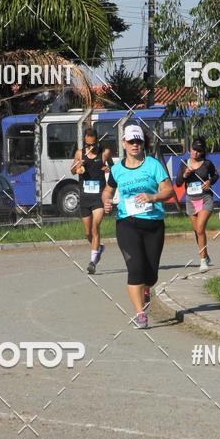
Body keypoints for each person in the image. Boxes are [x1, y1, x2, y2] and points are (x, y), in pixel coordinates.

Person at [102, 123, 174, 329]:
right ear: (124, 143)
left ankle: (146, 290)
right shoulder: (116, 170)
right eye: (131, 141)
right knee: (135, 269)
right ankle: (140, 314)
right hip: (127, 224)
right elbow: (107, 191)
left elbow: (168, 190)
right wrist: (106, 201)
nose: (135, 144)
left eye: (138, 141)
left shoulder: (153, 165)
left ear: (143, 143)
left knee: (151, 275)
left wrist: (153, 197)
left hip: (153, 224)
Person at [70, 127, 112, 274]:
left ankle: (92, 262)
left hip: (99, 197)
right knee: (88, 231)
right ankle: (98, 248)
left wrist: (108, 169)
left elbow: (114, 169)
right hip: (85, 197)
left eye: (92, 145)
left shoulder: (104, 153)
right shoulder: (79, 153)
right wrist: (78, 167)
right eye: (87, 145)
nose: (90, 147)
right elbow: (72, 171)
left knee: (95, 228)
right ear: (84, 142)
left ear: (97, 142)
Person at [175, 136, 218, 271]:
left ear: (203, 152)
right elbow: (178, 183)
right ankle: (205, 254)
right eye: (194, 150)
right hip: (191, 200)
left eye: (199, 151)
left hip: (205, 198)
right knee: (197, 231)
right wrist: (185, 175)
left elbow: (215, 175)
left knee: (200, 229)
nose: (196, 153)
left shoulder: (207, 164)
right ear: (190, 149)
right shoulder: (184, 163)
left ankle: (203, 261)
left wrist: (210, 182)